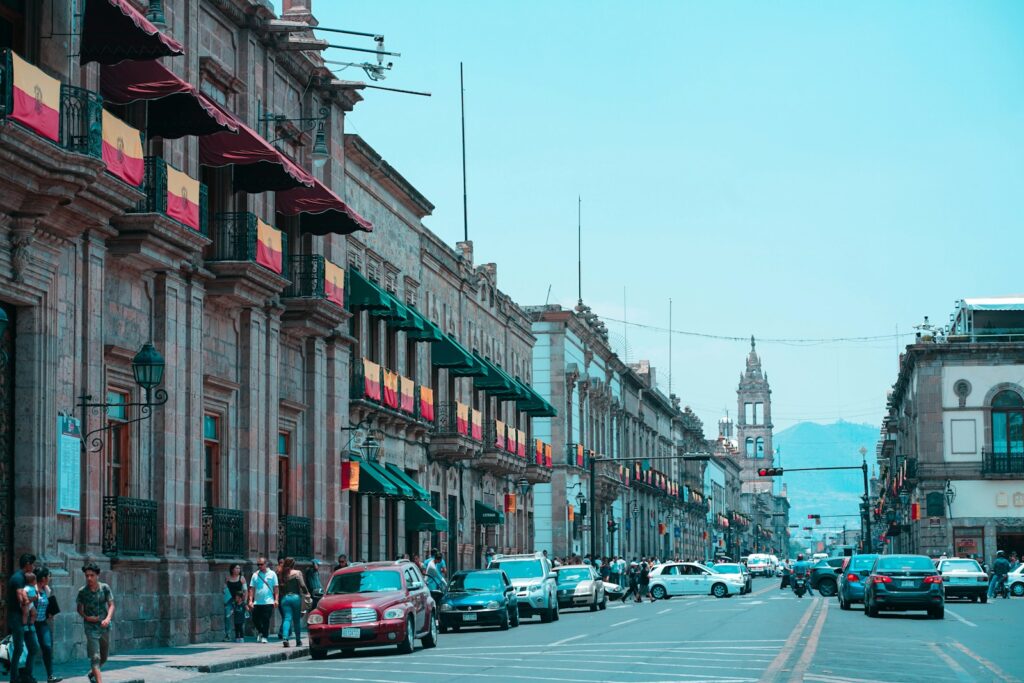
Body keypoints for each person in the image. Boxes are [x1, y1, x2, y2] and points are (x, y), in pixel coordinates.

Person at [77, 561, 115, 683]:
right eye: (87, 575)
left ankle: (92, 674)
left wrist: (108, 618)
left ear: (97, 575)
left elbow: (111, 605)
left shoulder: (105, 588)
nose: (89, 578)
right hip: (90, 627)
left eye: (92, 575)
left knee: (104, 657)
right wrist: (86, 617)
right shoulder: (82, 591)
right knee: (95, 657)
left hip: (104, 626)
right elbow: (79, 609)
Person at [8, 552, 39, 683]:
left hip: (25, 617)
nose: (34, 566)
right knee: (19, 648)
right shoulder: (17, 578)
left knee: (33, 647)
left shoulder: (25, 577)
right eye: (32, 564)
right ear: (27, 564)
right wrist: (34, 598)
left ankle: (26, 674)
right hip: (17, 617)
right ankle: (14, 678)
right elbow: (22, 600)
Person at [33, 567, 61, 683]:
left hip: (42, 623)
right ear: (43, 578)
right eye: (49, 576)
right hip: (32, 624)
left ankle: (50, 675)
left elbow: (48, 603)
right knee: (31, 648)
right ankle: (25, 674)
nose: (50, 578)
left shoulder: (46, 589)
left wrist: (50, 612)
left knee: (47, 647)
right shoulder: (32, 590)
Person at [278, 558, 310, 648]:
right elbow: (302, 585)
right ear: (293, 564)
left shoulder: (281, 574)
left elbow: (280, 588)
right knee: (296, 621)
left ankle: (285, 637)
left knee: (287, 618)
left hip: (285, 598)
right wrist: (307, 593)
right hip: (295, 597)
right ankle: (298, 641)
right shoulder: (297, 573)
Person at [248, 557, 279, 644]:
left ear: (266, 564)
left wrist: (276, 599)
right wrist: (250, 600)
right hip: (257, 601)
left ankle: (265, 636)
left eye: (261, 564)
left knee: (266, 619)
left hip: (268, 601)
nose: (259, 566)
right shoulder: (255, 575)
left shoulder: (272, 574)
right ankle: (261, 631)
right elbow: (252, 588)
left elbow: (276, 587)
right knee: (255, 619)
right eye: (258, 565)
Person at [223, 564, 247, 642]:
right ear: (232, 569)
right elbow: (224, 588)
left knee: (239, 618)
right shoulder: (227, 578)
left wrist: (245, 601)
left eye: (239, 568)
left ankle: (240, 634)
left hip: (239, 601)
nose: (238, 570)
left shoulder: (241, 578)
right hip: (230, 600)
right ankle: (228, 634)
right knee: (227, 616)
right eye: (236, 568)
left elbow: (245, 590)